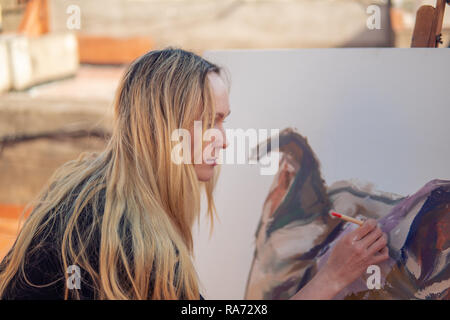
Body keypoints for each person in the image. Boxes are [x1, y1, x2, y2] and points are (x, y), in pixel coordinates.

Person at [0, 48, 388, 300]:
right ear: (166, 128)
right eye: (211, 122)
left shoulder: (88, 188)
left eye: (224, 121)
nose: (223, 140)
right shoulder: (131, 239)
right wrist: (333, 277)